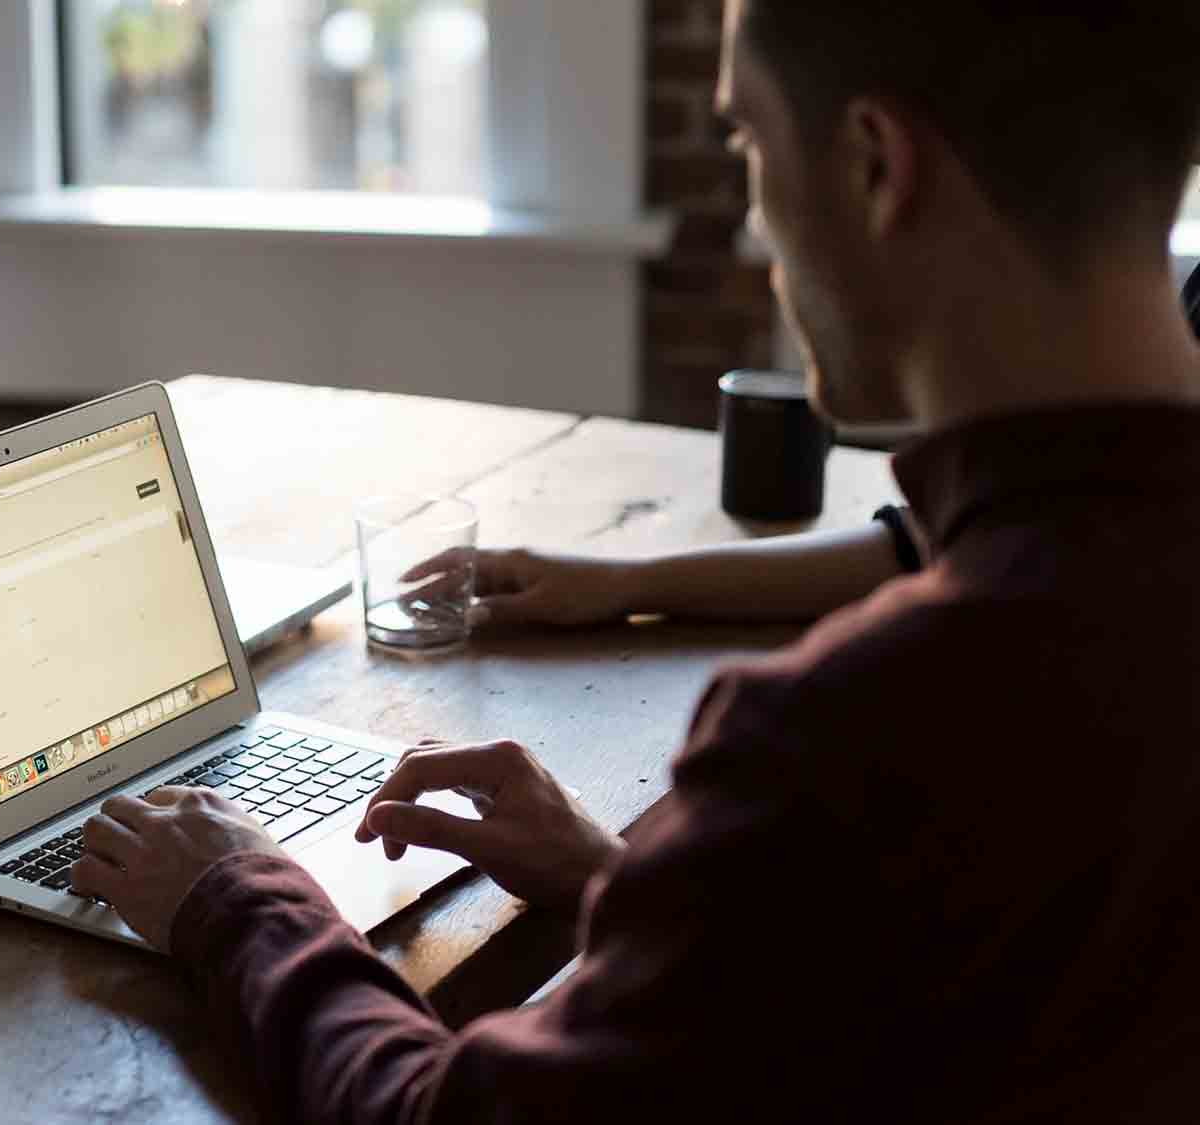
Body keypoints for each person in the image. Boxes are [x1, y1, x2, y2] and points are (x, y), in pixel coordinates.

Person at [71, 0, 1200, 1120]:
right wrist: (647, 889)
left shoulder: (859, 731)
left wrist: (236, 898)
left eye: (750, 142)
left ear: (871, 166)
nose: (757, 239)